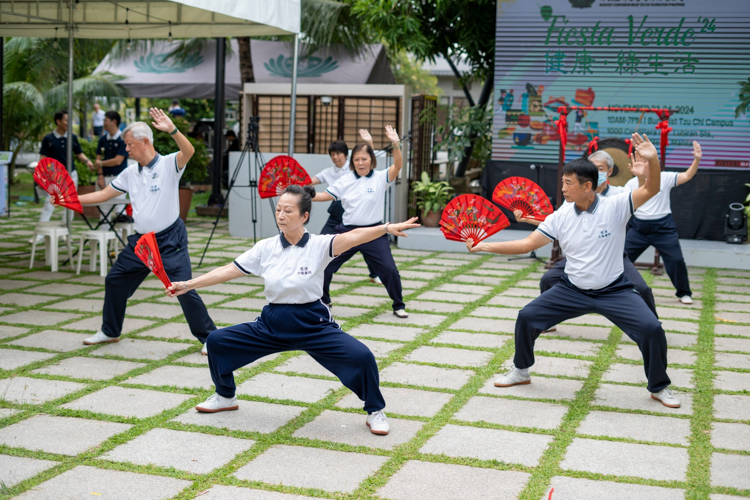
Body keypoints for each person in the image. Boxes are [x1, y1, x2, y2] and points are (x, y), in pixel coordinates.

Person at [165, 184, 420, 435]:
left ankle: (375, 411)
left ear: (304, 216)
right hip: (272, 323)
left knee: (362, 357)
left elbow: (353, 236)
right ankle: (225, 396)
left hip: (312, 323)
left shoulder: (320, 245)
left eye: (288, 211)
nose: (281, 216)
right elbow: (228, 270)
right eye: (278, 210)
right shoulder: (266, 248)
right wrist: (187, 285)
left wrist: (386, 228)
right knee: (218, 341)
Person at [466, 133, 681, 409]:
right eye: (563, 182)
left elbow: (651, 190)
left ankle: (659, 386)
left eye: (568, 183)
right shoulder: (561, 215)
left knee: (652, 329)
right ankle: (521, 371)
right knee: (527, 317)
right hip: (572, 290)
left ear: (588, 186)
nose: (563, 188)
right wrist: (485, 247)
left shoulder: (617, 205)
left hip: (614, 290)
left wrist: (654, 161)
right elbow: (527, 244)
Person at [67, 108, 216, 352]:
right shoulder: (129, 173)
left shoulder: (169, 164)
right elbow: (104, 194)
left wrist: (173, 130)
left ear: (145, 142)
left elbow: (189, 151)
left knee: (183, 288)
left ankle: (210, 337)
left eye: (129, 144)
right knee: (115, 280)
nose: (126, 149)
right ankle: (109, 331)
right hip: (141, 242)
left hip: (170, 240)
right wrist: (70, 198)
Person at [521, 150, 658, 318]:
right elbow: (555, 223)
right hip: (581, 255)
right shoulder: (574, 196)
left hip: (611, 257)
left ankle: (651, 323)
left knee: (642, 288)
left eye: (600, 168)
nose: (595, 171)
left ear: (609, 171)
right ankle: (544, 320)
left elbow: (645, 192)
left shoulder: (618, 195)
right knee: (548, 279)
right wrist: (529, 219)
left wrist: (641, 177)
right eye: (591, 167)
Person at [311, 126, 409, 318]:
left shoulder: (381, 177)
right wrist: (304, 192)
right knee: (324, 265)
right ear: (352, 162)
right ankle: (324, 300)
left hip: (374, 232)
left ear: (371, 160)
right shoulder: (346, 180)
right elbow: (324, 195)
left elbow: (398, 165)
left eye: (364, 158)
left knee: (389, 270)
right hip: (348, 232)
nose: (360, 162)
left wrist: (395, 143)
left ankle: (398, 304)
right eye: (356, 159)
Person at [624, 141, 702, 304]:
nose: (643, 164)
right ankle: (615, 290)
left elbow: (687, 175)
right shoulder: (630, 184)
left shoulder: (664, 177)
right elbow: (630, 204)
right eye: (640, 160)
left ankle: (684, 292)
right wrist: (639, 177)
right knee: (620, 258)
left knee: (676, 260)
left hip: (664, 228)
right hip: (639, 228)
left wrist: (696, 160)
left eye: (646, 160)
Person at [310, 129, 381, 285]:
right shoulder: (328, 172)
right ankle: (317, 269)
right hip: (336, 213)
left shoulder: (355, 168)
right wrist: (295, 184)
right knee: (323, 240)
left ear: (346, 155)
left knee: (366, 243)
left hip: (355, 211)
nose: (335, 157)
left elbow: (370, 159)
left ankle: (375, 273)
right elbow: (312, 180)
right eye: (332, 155)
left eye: (338, 154)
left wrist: (369, 141)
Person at [34, 110, 94, 235]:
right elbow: (43, 159)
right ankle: (40, 234)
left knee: (70, 205)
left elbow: (79, 154)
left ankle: (65, 233)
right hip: (55, 177)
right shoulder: (48, 139)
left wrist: (87, 161)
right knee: (49, 204)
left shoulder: (72, 137)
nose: (69, 123)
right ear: (58, 121)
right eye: (67, 120)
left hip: (71, 174)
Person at [95, 111, 130, 222]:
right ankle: (104, 236)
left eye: (105, 120)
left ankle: (121, 237)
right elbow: (98, 159)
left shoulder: (123, 140)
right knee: (104, 208)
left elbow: (118, 161)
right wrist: (100, 175)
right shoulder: (102, 140)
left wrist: (100, 163)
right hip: (104, 178)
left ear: (114, 122)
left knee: (119, 209)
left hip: (119, 178)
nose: (103, 123)